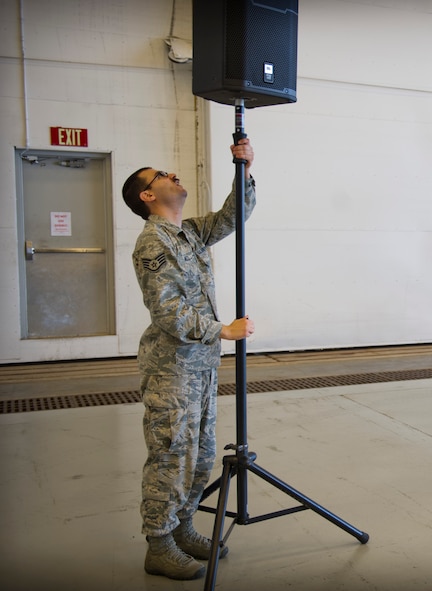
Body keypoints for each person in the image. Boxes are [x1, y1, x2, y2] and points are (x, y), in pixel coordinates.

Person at [121, 139, 256, 580]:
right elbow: (167, 311)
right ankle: (159, 544)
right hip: (172, 369)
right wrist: (222, 330)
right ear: (147, 195)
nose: (172, 174)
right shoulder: (152, 243)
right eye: (161, 175)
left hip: (200, 365)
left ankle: (182, 528)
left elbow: (232, 216)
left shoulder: (189, 233)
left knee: (200, 454)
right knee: (171, 455)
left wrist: (244, 169)